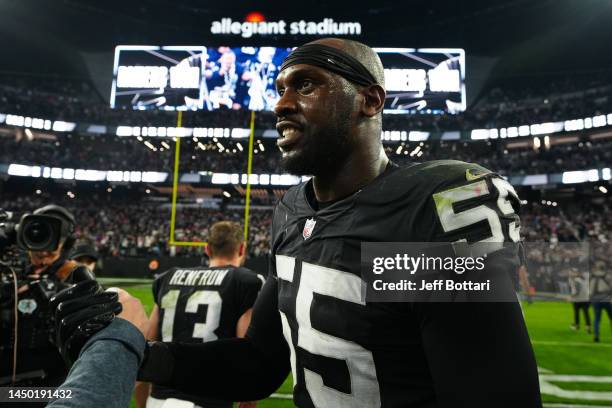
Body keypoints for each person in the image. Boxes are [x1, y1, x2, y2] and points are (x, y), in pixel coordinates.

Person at [52, 38, 541, 407]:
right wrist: (137, 349)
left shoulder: (428, 208)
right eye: (281, 88)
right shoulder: (292, 212)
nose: (282, 104)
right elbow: (259, 364)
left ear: (370, 101)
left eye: (306, 85)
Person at [134, 221, 263, 408]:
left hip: (159, 400)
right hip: (207, 399)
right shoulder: (246, 281)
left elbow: (145, 349)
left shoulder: (168, 278)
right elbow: (247, 357)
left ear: (207, 249)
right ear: (242, 248)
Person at [0, 204, 94, 398]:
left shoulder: (75, 274)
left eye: (50, 250)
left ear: (66, 246)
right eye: (35, 249)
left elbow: (91, 321)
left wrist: (56, 292)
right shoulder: (12, 273)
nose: (42, 255)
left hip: (51, 381)